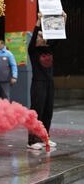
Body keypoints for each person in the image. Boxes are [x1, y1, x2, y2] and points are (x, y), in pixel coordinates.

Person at [27, 11, 67, 150]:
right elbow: (33, 38)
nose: (41, 38)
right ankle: (32, 141)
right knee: (37, 112)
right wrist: (38, 21)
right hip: (38, 84)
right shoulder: (33, 51)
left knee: (48, 112)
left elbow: (59, 37)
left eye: (43, 36)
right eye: (39, 36)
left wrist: (63, 20)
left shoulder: (49, 50)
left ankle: (45, 137)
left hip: (49, 83)